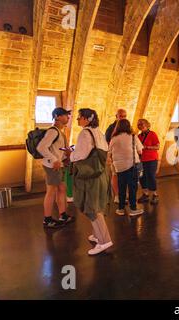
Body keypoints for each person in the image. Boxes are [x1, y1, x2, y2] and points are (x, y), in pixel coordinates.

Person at [70, 108, 113, 255]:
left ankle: (104, 241)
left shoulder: (84, 133)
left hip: (90, 176)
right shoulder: (99, 132)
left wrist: (70, 154)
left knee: (92, 208)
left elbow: (81, 154)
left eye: (79, 117)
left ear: (87, 119)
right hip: (101, 173)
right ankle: (97, 235)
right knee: (96, 204)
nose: (77, 120)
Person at [37, 107, 75, 228]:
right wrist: (54, 159)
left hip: (58, 165)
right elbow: (41, 147)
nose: (68, 118)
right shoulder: (53, 131)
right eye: (65, 115)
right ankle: (47, 220)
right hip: (52, 166)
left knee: (62, 189)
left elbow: (56, 150)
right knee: (51, 191)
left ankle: (62, 215)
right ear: (57, 116)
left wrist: (66, 155)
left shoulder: (59, 132)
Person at [108, 119, 144, 216]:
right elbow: (140, 150)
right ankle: (133, 209)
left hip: (119, 167)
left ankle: (121, 209)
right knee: (132, 188)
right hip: (131, 165)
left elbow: (109, 152)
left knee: (121, 187)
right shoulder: (132, 136)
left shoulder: (114, 138)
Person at [105, 109, 127, 203]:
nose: (123, 118)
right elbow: (107, 142)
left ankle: (124, 194)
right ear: (116, 116)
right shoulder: (111, 128)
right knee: (115, 175)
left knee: (125, 176)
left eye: (124, 116)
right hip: (115, 155)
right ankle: (117, 196)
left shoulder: (127, 127)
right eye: (121, 116)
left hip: (126, 156)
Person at [137, 119, 160, 205]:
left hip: (151, 159)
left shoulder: (152, 134)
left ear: (147, 124)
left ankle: (155, 195)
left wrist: (147, 147)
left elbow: (157, 146)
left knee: (151, 176)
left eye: (142, 124)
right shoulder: (139, 136)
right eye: (139, 124)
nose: (140, 125)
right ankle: (145, 194)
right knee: (142, 177)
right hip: (142, 160)